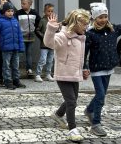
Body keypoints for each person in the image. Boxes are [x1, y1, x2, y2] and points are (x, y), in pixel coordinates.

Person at [83, 1, 121, 137]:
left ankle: (89, 110)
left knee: (100, 95)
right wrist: (83, 67)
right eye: (100, 17)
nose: (103, 19)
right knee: (101, 96)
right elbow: (84, 52)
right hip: (96, 69)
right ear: (94, 18)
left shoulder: (112, 29)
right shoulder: (90, 33)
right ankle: (96, 124)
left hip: (109, 68)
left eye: (105, 16)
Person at [44, 9, 91, 143]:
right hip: (63, 74)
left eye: (87, 24)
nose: (86, 27)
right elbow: (49, 43)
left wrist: (83, 69)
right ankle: (72, 129)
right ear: (75, 23)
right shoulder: (63, 36)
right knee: (72, 102)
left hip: (74, 74)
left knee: (74, 98)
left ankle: (58, 114)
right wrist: (51, 28)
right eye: (83, 24)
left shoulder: (81, 37)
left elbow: (80, 58)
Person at [0, 2, 26, 90]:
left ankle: (16, 80)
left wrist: (21, 47)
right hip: (6, 49)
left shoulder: (15, 21)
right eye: (8, 11)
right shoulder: (0, 22)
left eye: (12, 11)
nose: (10, 13)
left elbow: (19, 35)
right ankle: (7, 81)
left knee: (15, 66)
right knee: (6, 66)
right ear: (3, 12)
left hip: (15, 48)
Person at [15, 0, 41, 77]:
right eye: (21, 3)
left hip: (31, 37)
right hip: (21, 37)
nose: (22, 5)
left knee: (29, 53)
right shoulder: (18, 13)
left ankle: (29, 69)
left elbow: (38, 24)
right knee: (19, 54)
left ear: (30, 4)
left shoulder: (34, 13)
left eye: (24, 4)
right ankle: (16, 69)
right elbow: (15, 24)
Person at [35, 3, 55, 82]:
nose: (50, 13)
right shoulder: (42, 20)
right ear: (45, 12)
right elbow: (37, 30)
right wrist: (43, 36)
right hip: (44, 44)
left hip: (52, 44)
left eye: (52, 11)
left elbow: (56, 30)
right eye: (48, 11)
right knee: (43, 59)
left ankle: (48, 74)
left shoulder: (54, 20)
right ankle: (38, 74)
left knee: (50, 60)